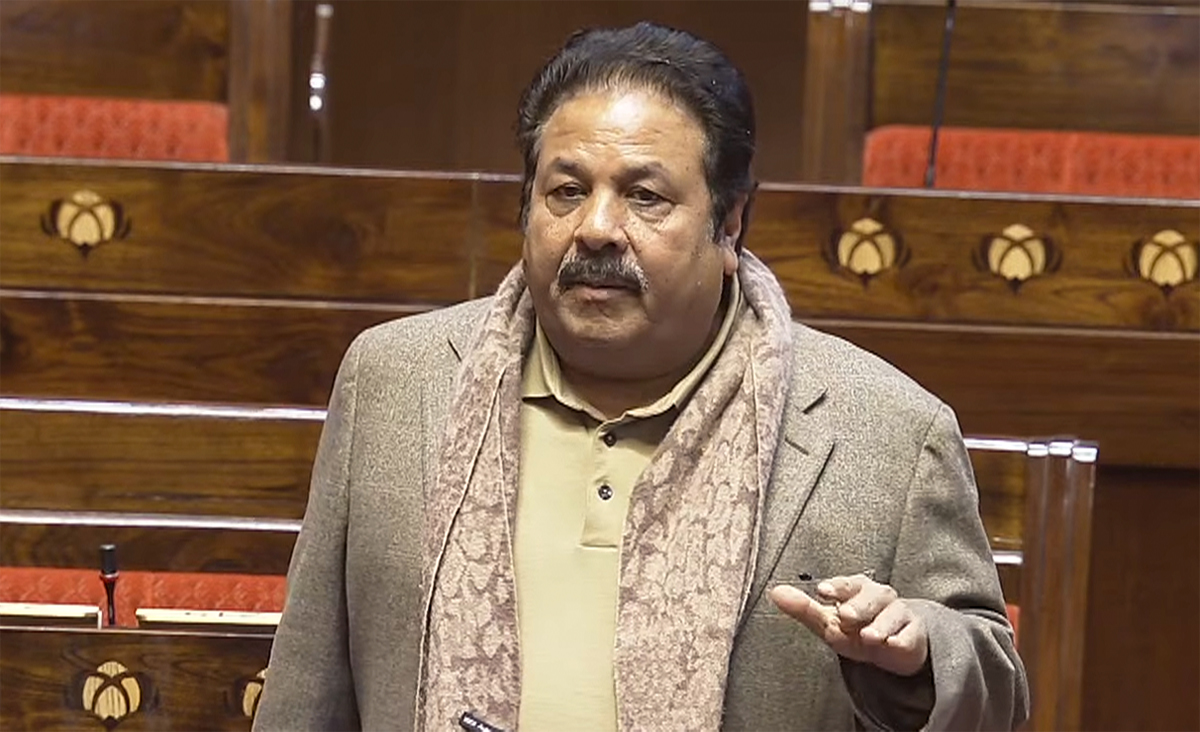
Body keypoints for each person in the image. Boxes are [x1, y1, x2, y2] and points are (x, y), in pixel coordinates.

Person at [253, 21, 1027, 732]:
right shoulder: (394, 381)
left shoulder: (885, 431)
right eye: (566, 191)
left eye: (644, 196)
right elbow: (307, 689)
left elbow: (997, 694)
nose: (595, 228)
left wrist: (918, 656)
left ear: (731, 222)